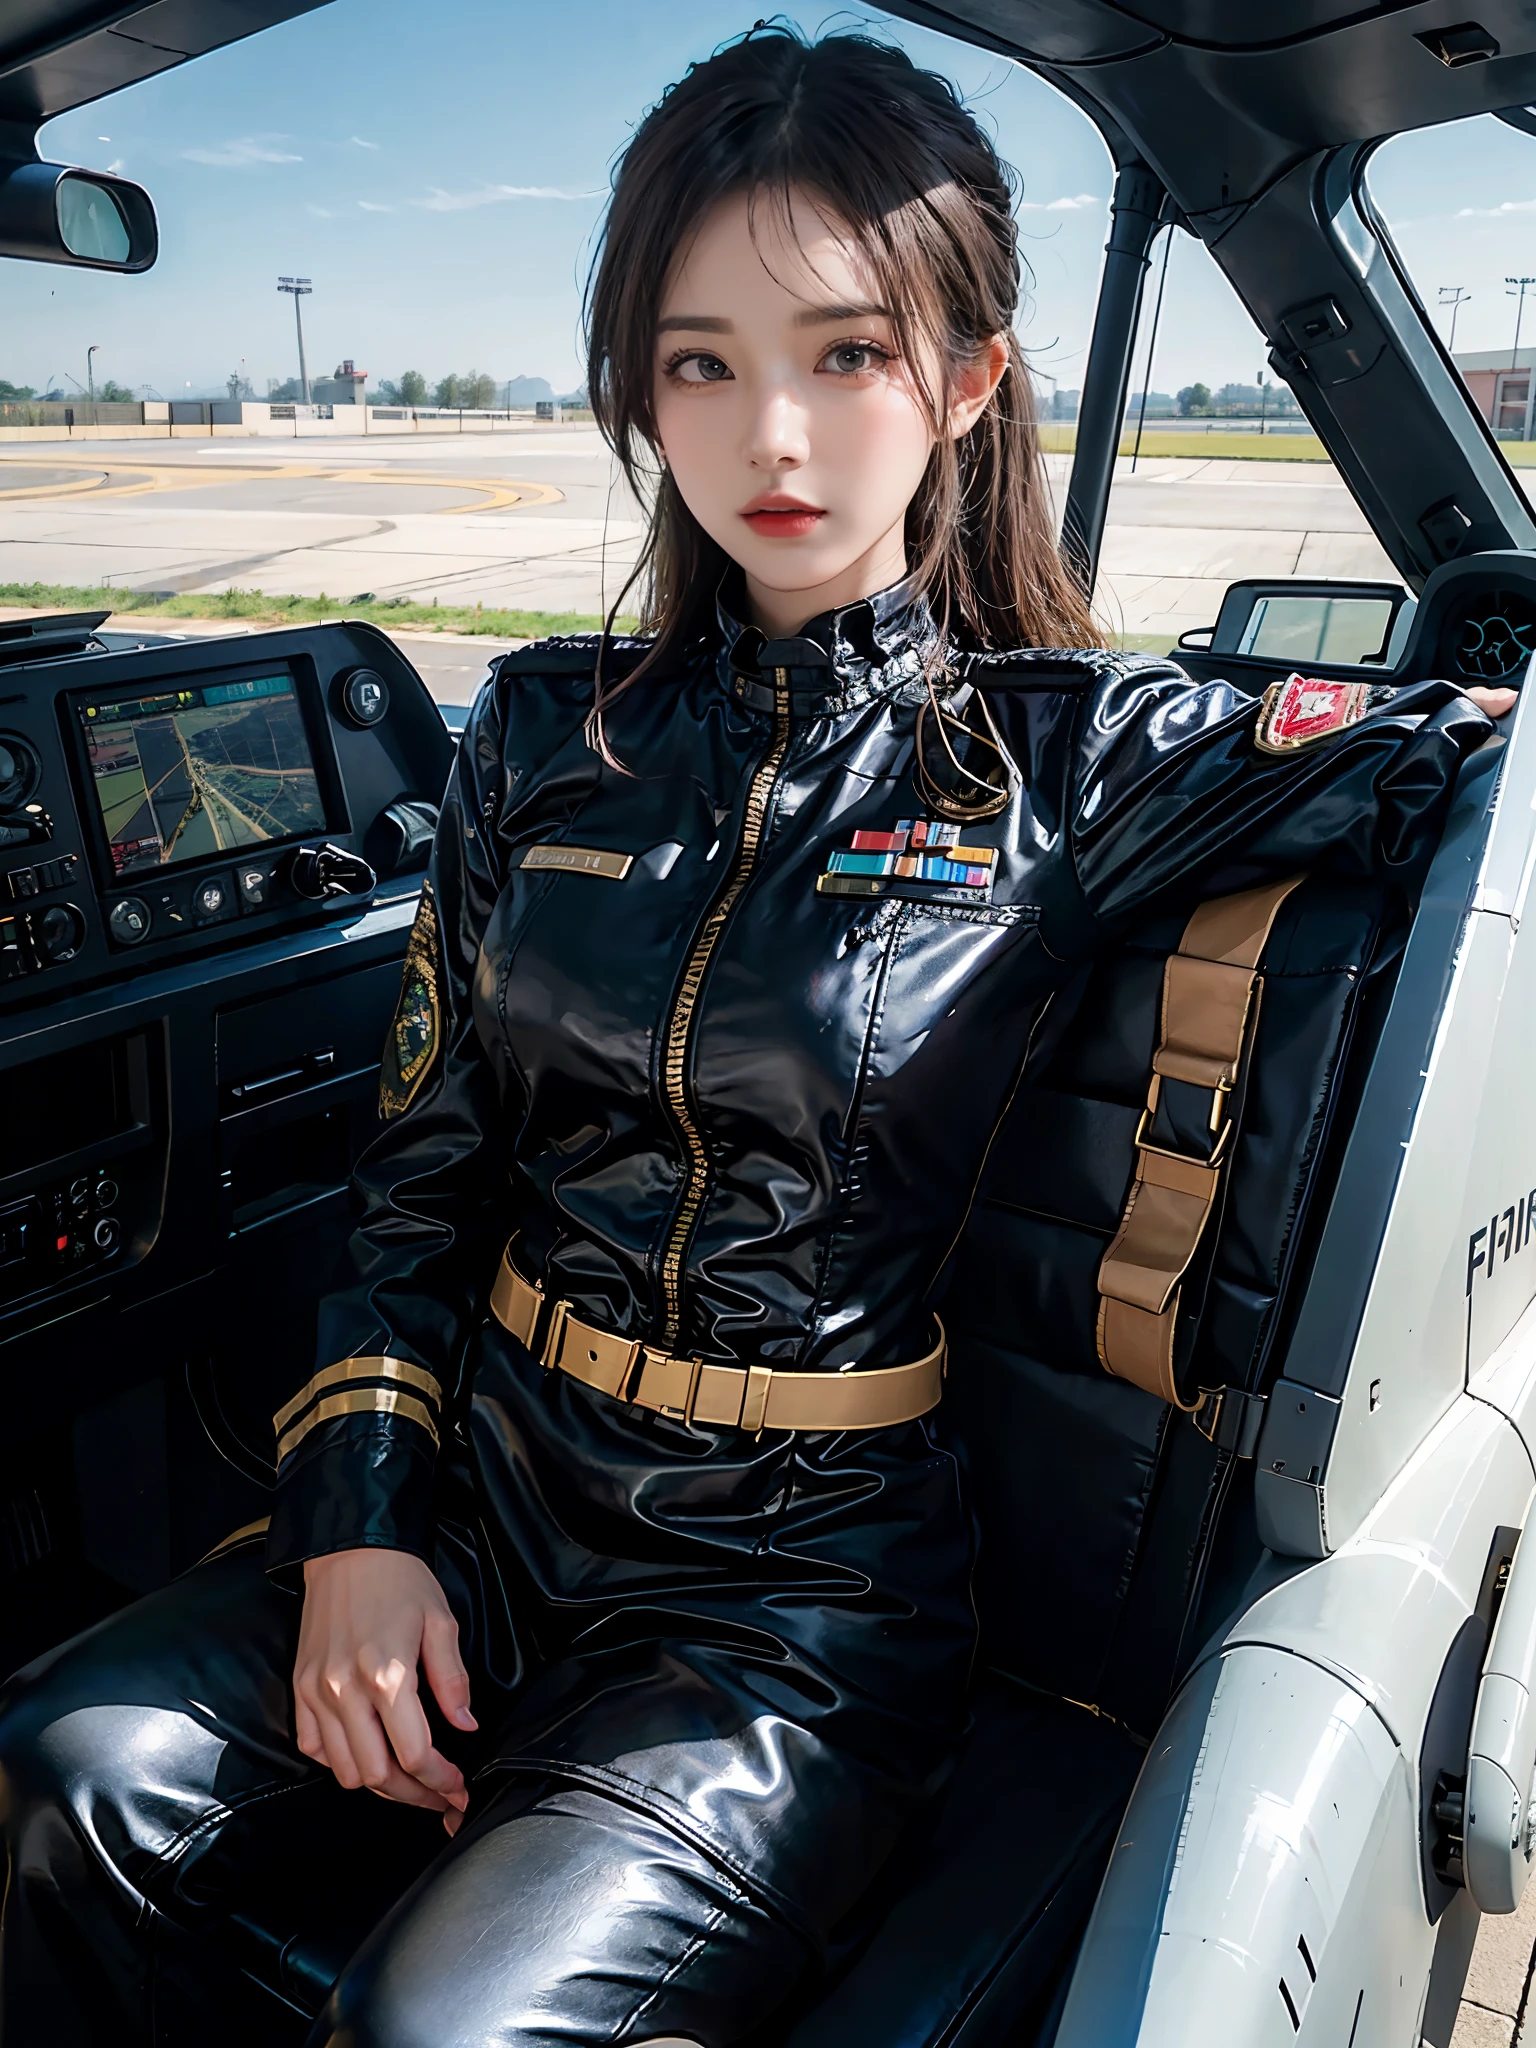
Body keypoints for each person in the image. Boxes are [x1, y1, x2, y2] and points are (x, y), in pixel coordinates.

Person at [0, 26, 1505, 2048]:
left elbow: (1473, 769)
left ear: (968, 383)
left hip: (788, 1608)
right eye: (700, 360)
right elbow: (417, 1179)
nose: (769, 434)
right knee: (58, 1765)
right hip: (492, 1492)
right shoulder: (541, 732)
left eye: (849, 353)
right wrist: (361, 1528)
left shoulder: (1069, 758)